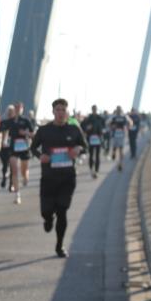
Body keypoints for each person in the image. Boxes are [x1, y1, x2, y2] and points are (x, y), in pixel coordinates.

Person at [30, 98, 87, 258]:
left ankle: (59, 245)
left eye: (63, 110)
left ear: (67, 112)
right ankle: (48, 219)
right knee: (46, 212)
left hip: (68, 178)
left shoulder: (74, 130)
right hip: (48, 177)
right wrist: (41, 156)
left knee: (62, 211)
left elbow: (85, 146)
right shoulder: (44, 130)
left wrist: (78, 148)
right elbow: (33, 148)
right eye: (58, 110)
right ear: (53, 112)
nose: (61, 113)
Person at [7, 101, 35, 205]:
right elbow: (3, 130)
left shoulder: (26, 120)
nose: (18, 109)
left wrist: (25, 133)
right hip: (13, 148)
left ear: (22, 108)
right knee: (14, 170)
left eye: (20, 107)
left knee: (24, 171)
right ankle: (17, 195)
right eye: (16, 107)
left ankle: (25, 177)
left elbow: (33, 134)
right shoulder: (11, 121)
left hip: (24, 147)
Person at [81, 105, 106, 178]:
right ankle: (91, 169)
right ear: (92, 109)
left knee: (97, 155)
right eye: (93, 109)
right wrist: (87, 128)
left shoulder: (100, 118)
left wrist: (102, 131)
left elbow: (104, 127)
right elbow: (83, 126)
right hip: (91, 138)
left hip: (98, 138)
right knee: (91, 155)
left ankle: (96, 171)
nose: (94, 110)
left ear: (96, 109)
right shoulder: (88, 118)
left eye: (95, 109)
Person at [0, 104, 17, 190]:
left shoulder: (16, 122)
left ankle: (11, 184)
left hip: (13, 148)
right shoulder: (3, 122)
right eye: (8, 112)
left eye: (11, 112)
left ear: (14, 113)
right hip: (4, 147)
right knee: (5, 166)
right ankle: (4, 177)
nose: (9, 113)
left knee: (12, 166)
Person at [108, 106, 131, 172]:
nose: (118, 111)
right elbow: (108, 123)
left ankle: (120, 164)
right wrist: (112, 127)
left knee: (121, 150)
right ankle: (114, 154)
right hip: (115, 135)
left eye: (119, 110)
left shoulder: (124, 117)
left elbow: (130, 122)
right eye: (118, 110)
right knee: (115, 148)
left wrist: (127, 128)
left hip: (121, 135)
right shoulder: (113, 117)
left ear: (121, 110)